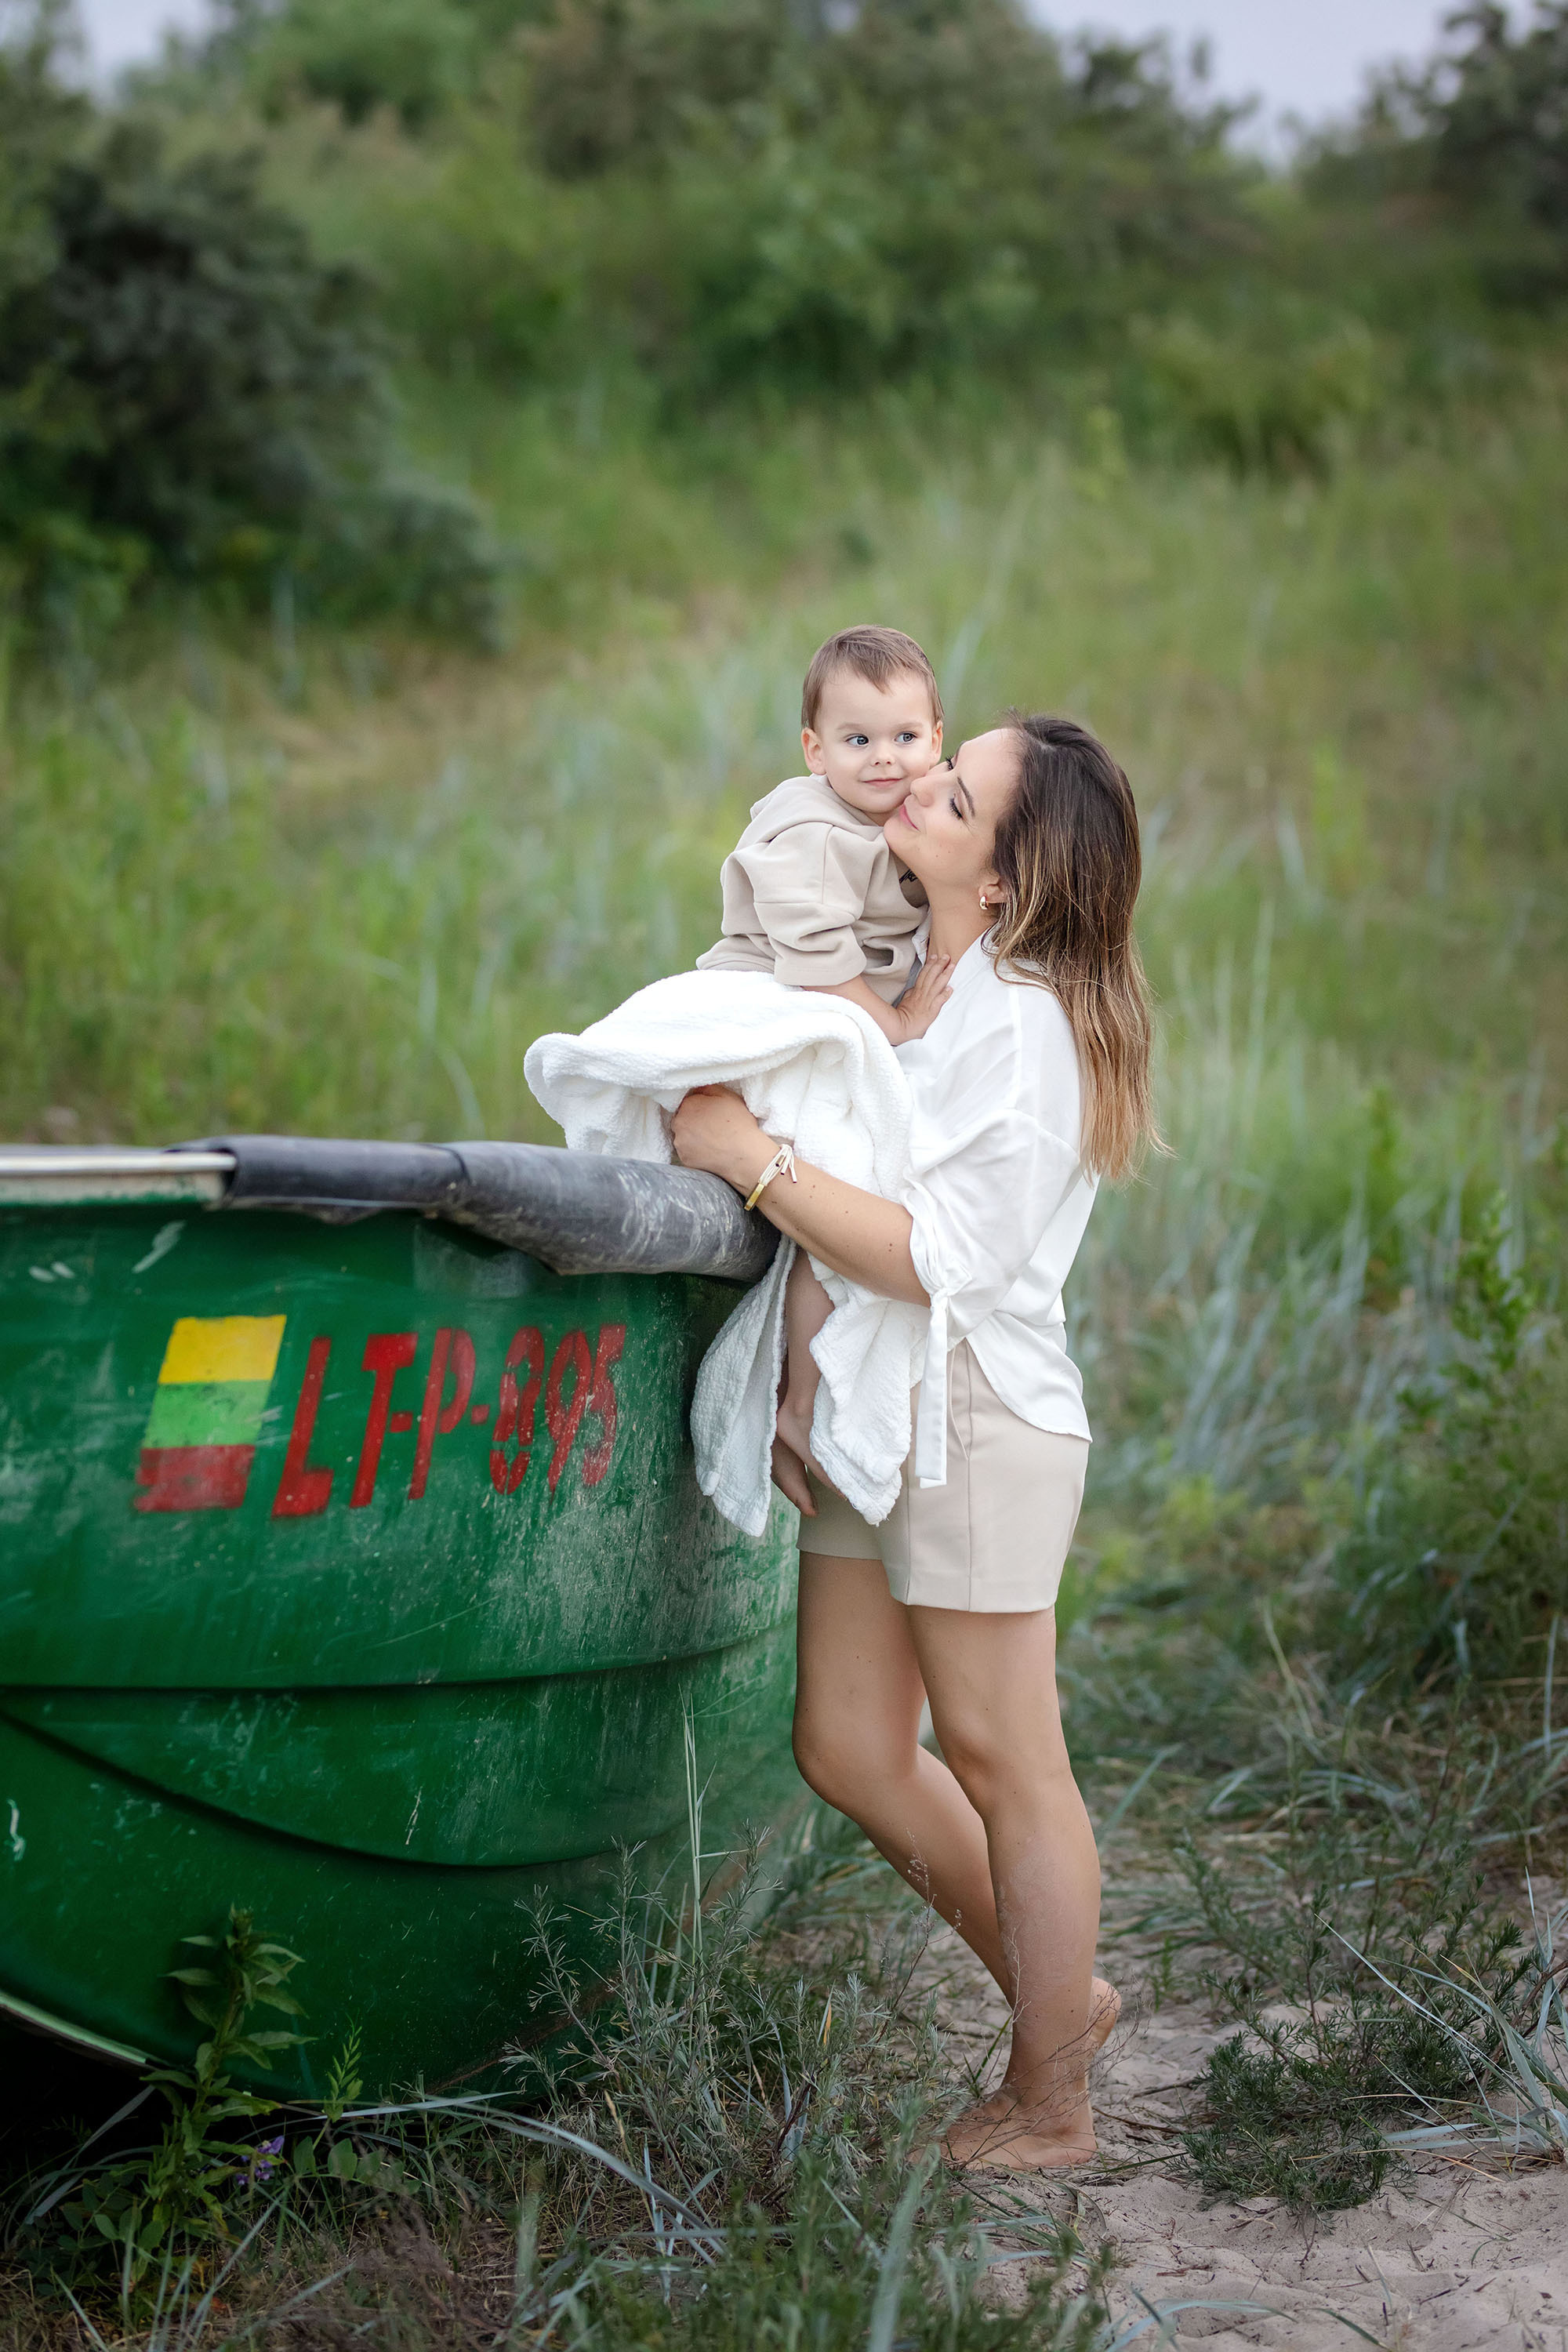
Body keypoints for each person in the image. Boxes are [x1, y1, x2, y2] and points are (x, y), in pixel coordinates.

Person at [672, 712, 1158, 2169]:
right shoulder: (924, 977)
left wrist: (746, 1158)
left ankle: (1053, 2100)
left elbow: (937, 1255)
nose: (913, 789)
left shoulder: (1022, 1024)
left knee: (1010, 1759)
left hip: (973, 1415)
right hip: (878, 1404)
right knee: (847, 1743)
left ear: (1003, 875)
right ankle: (1062, 1993)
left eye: (952, 793)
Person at [697, 622, 956, 1495]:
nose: (883, 760)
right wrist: (896, 1023)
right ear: (813, 749)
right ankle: (796, 1399)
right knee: (842, 1185)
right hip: (771, 1012)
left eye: (904, 738)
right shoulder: (809, 825)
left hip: (820, 1025)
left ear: (936, 739)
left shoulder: (904, 819)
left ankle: (802, 1392)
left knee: (845, 1194)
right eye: (855, 740)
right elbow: (812, 963)